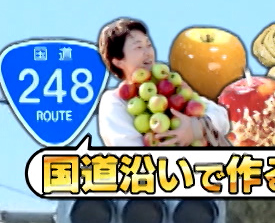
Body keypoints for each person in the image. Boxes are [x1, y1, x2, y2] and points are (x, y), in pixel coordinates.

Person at [95, 18, 230, 149]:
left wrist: (196, 128)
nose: (148, 53)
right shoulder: (115, 101)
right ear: (118, 61)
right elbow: (131, 153)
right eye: (138, 47)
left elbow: (222, 117)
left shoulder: (171, 86)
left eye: (149, 45)